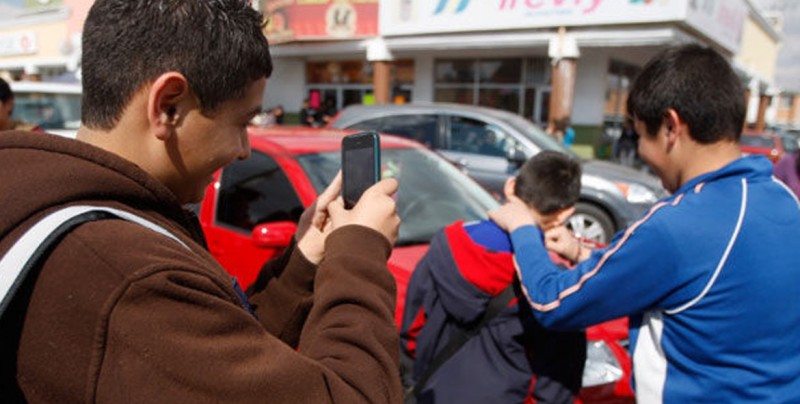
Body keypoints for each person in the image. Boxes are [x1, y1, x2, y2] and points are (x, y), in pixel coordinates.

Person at [0, 1, 403, 402]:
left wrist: (306, 261)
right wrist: (359, 251)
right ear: (168, 105)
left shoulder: (48, 203)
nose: (245, 149)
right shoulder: (131, 275)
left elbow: (229, 365)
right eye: (242, 122)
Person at [489, 44, 800, 402]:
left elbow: (553, 302)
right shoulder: (781, 197)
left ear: (670, 126)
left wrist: (522, 225)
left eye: (639, 135)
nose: (640, 152)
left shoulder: (679, 224)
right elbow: (690, 274)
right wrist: (579, 251)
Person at [400, 150, 586, 403]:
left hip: (433, 392)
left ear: (511, 186)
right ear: (564, 213)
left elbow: (412, 329)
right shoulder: (554, 286)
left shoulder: (446, 245)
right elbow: (557, 382)